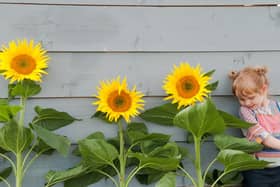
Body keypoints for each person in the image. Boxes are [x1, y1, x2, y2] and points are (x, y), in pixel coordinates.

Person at [229, 66, 280, 187]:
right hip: (257, 169)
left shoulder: (278, 107)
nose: (247, 103)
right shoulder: (245, 112)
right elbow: (263, 137)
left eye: (251, 98)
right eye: (241, 99)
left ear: (263, 89)